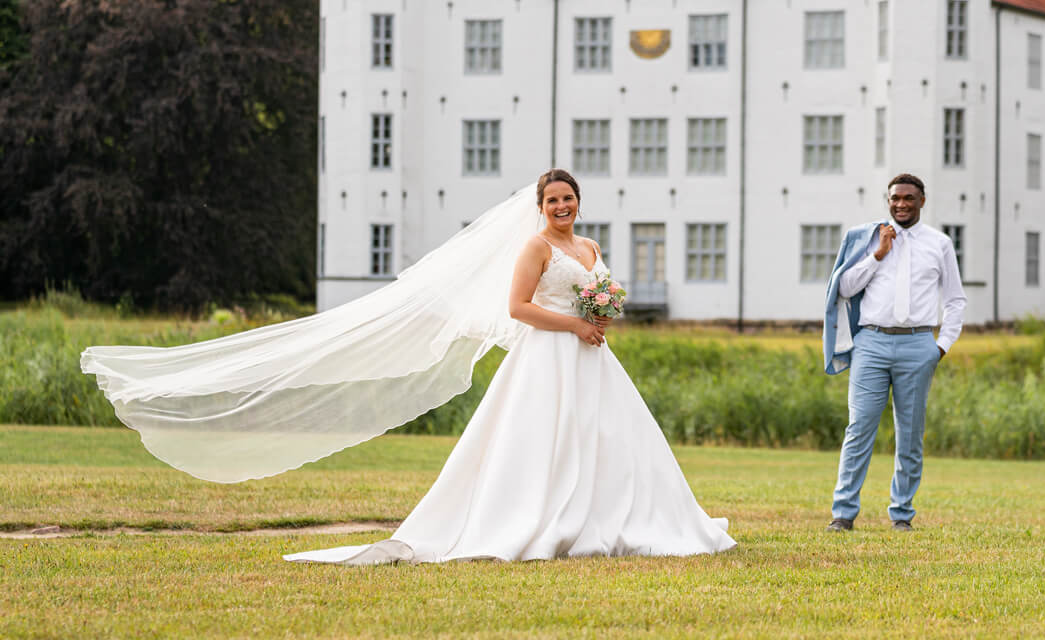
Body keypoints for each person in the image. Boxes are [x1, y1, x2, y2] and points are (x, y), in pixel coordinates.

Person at [83, 169, 734, 563]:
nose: (562, 207)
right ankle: (541, 522)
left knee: (613, 442)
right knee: (541, 445)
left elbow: (597, 294)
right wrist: (574, 323)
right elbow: (518, 307)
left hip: (593, 359)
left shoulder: (589, 246)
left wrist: (600, 320)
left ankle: (615, 520)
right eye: (554, 200)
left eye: (569, 199)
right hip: (549, 358)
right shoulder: (535, 247)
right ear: (540, 206)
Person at [820, 173, 966, 532]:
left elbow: (955, 300)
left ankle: (901, 514)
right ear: (888, 201)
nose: (901, 204)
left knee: (910, 434)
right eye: (895, 198)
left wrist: (940, 347)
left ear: (921, 201)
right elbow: (845, 287)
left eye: (908, 198)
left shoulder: (940, 244)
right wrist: (877, 254)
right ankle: (843, 514)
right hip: (870, 344)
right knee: (859, 427)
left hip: (918, 345)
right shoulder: (871, 238)